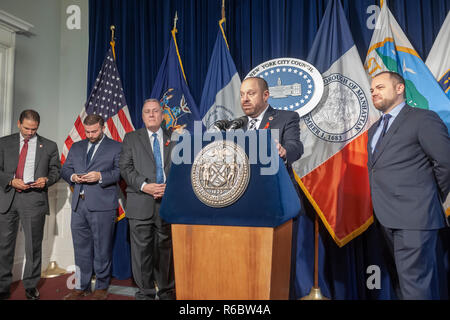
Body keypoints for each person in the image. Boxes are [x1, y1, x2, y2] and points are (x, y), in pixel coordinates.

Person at [367, 71, 450, 299]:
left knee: (416, 287)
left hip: (415, 217)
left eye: (380, 87)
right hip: (385, 218)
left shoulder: (423, 118)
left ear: (400, 88)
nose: (374, 92)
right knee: (402, 286)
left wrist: (428, 196)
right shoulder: (374, 130)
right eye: (372, 89)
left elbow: (445, 162)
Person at [0, 109, 61, 300]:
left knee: (33, 246)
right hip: (8, 198)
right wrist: (10, 180)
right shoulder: (4, 142)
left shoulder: (49, 146)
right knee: (4, 246)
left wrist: (46, 180)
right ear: (19, 124)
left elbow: (56, 171)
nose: (29, 133)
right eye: (26, 128)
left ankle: (30, 285)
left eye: (34, 129)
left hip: (34, 199)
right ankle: (2, 286)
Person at [119, 99, 176, 300]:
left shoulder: (176, 137)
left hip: (168, 205)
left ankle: (167, 291)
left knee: (166, 253)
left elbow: (183, 168)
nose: (151, 115)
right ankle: (145, 294)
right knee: (141, 254)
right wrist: (145, 186)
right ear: (142, 116)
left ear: (162, 115)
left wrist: (171, 186)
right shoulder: (131, 138)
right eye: (147, 112)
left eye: (155, 111)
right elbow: (125, 168)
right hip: (140, 204)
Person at [60, 114, 121, 300]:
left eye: (94, 131)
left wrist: (100, 176)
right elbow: (65, 169)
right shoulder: (77, 146)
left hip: (103, 206)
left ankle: (101, 287)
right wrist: (73, 177)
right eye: (87, 131)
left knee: (102, 249)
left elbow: (120, 172)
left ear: (103, 128)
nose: (90, 134)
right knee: (80, 249)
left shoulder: (116, 146)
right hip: (79, 205)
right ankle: (81, 286)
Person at [239, 77, 303, 181]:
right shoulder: (235, 125)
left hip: (275, 187)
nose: (245, 99)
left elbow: (295, 146)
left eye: (251, 94)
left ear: (265, 95)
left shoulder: (286, 118)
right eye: (242, 94)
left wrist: (284, 151)